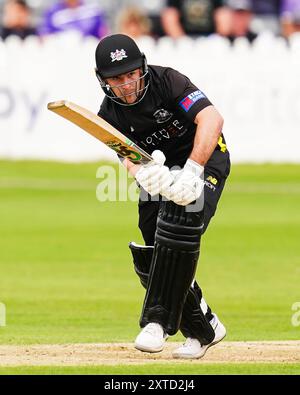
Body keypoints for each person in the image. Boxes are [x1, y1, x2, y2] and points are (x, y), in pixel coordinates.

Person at [95, 34, 230, 359]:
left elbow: (211, 119)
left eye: (131, 74)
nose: (127, 84)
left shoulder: (168, 81)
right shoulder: (108, 114)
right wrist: (144, 173)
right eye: (117, 79)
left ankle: (157, 322)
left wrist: (192, 171)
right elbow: (127, 156)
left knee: (178, 230)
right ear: (104, 81)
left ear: (142, 67)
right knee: (154, 254)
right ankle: (203, 328)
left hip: (204, 159)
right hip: (158, 170)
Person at [38, 0, 108, 39]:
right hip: (61, 53)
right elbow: (45, 36)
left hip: (88, 50)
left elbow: (102, 33)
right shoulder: (52, 12)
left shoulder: (92, 10)